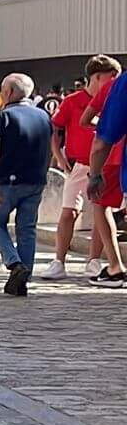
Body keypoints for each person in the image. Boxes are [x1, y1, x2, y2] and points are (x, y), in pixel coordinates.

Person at [45, 56, 119, 279]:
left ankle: (94, 260)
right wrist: (58, 155)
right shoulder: (72, 101)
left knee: (102, 212)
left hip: (106, 165)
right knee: (70, 211)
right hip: (79, 165)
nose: (114, 81)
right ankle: (59, 260)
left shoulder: (113, 100)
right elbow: (55, 129)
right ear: (97, 77)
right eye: (111, 77)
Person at [0, 74, 52, 296]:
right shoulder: (44, 116)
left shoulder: (1, 118)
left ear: (9, 93)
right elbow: (50, 148)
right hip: (35, 180)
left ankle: (14, 263)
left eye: (2, 90)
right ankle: (24, 275)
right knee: (27, 228)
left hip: (7, 181)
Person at [83, 64, 127, 286]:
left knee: (100, 205)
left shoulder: (117, 85)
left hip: (113, 159)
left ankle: (115, 264)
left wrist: (94, 173)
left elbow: (90, 124)